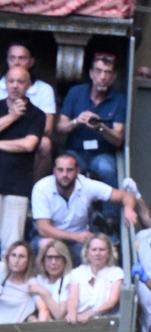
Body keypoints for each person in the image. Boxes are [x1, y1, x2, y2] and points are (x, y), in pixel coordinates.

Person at [31, 153, 138, 260]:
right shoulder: (41, 188)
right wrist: (75, 236)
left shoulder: (87, 185)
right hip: (51, 237)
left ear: (77, 171)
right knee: (46, 245)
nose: (64, 174)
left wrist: (128, 209)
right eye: (60, 170)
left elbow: (126, 196)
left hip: (80, 241)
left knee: (95, 251)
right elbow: (43, 229)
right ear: (54, 171)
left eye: (69, 170)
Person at [56, 53, 126, 191]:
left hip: (102, 153)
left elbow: (118, 139)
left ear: (113, 77)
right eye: (99, 71)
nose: (103, 77)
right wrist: (76, 121)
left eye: (107, 73)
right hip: (75, 150)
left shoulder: (119, 100)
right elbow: (60, 127)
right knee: (65, 166)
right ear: (91, 74)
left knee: (106, 168)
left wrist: (100, 127)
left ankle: (110, 212)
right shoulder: (76, 92)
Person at [0, 65, 44, 254]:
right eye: (11, 81)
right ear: (5, 84)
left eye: (20, 81)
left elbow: (29, 145)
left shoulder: (37, 115)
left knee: (12, 247)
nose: (15, 85)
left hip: (17, 187)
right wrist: (12, 116)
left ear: (28, 85)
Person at [0, 42, 55, 181]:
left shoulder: (44, 89)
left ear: (31, 62)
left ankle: (34, 188)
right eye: (12, 58)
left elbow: (47, 129)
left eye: (21, 58)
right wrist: (12, 117)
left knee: (45, 143)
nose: (16, 62)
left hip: (30, 137)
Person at [66, 233, 122, 323]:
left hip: (105, 321)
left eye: (102, 250)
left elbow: (112, 300)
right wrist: (72, 314)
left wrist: (90, 314)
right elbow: (73, 298)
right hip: (79, 320)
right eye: (94, 249)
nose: (97, 253)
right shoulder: (76, 272)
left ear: (109, 253)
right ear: (87, 252)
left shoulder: (116, 272)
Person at [0, 241, 46, 322]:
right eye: (13, 255)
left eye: (21, 256)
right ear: (8, 258)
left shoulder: (31, 282)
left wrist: (40, 329)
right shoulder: (2, 273)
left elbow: (43, 309)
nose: (16, 260)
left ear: (28, 261)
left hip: (15, 330)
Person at [29, 239, 71, 320]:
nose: (53, 262)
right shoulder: (38, 280)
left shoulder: (70, 279)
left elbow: (59, 314)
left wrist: (44, 292)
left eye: (57, 257)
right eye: (49, 257)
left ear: (65, 260)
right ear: (43, 260)